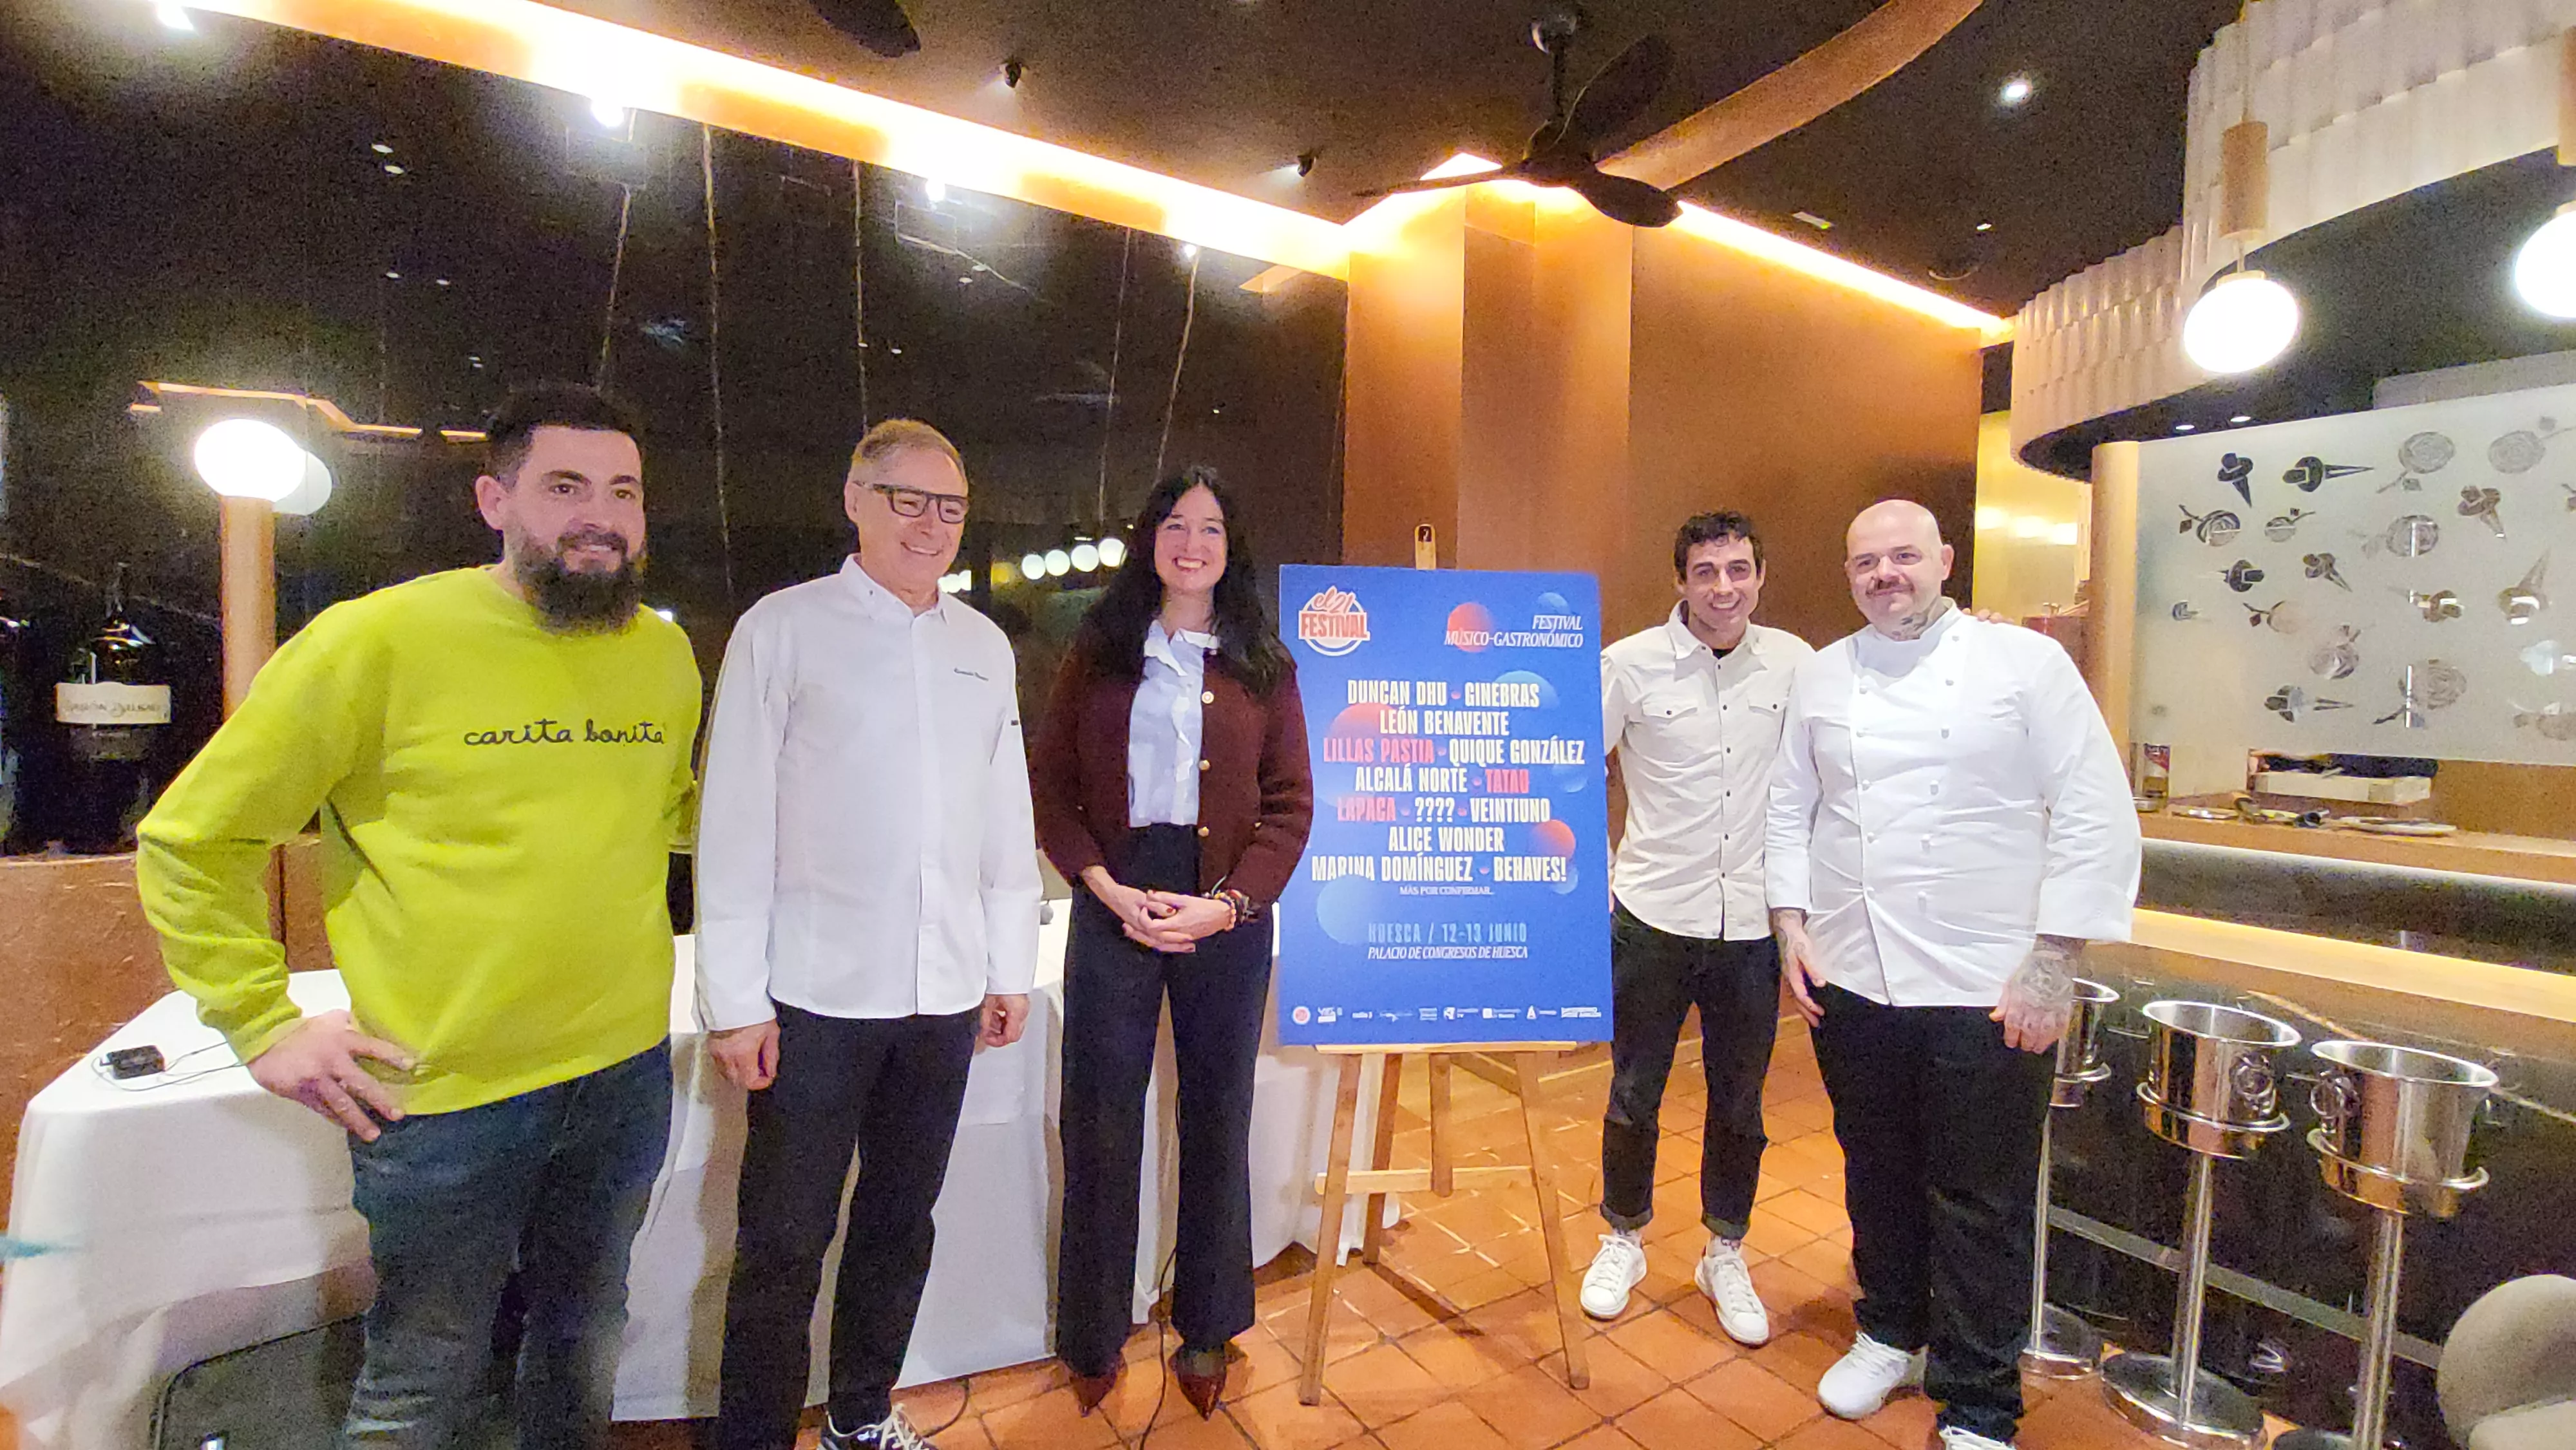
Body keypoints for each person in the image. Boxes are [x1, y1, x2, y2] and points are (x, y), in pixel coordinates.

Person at [136, 383, 701, 1450]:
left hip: (624, 1071)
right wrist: (259, 1021)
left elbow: (670, 816)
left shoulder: (659, 656)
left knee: (584, 1342)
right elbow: (194, 840)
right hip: (442, 1095)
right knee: (422, 1376)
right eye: (565, 486)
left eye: (623, 491)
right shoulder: (377, 640)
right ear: (496, 500)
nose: (602, 514)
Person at [1765, 498, 2140, 1450]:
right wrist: (1789, 926)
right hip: (1852, 973)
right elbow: (1787, 806)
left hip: (1987, 982)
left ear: (1944, 560)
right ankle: (1890, 1328)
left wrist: (2055, 960)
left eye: (1902, 557)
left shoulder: (2025, 664)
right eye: (1865, 563)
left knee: (1982, 1198)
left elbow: (2095, 808)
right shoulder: (1825, 671)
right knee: (1876, 1170)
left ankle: (1978, 1399)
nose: (1885, 575)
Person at [695, 419, 1038, 1450]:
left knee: (900, 1223)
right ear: (854, 498)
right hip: (814, 995)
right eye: (907, 499)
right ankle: (752, 1436)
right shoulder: (783, 627)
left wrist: (1007, 965)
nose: (931, 525)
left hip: (943, 997)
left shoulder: (982, 645)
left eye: (951, 506)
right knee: (785, 1239)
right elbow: (734, 819)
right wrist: (734, 1000)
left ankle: (859, 1416)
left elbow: (1003, 816)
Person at [1030, 466, 1314, 1419]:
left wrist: (1227, 906)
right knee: (1101, 1114)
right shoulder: (1100, 651)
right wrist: (1101, 885)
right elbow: (1052, 786)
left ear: (1233, 549)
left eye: (1212, 529)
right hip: (1115, 895)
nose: (1193, 544)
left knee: (1217, 1109)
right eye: (1176, 526)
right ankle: (1093, 1329)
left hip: (1225, 912)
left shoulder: (1264, 665)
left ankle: (1208, 1324)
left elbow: (1290, 809)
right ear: (1148, 537)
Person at [1581, 511, 1813, 1342]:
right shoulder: (1629, 665)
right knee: (1634, 1092)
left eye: (1739, 570)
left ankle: (1725, 1250)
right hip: (1653, 915)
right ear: (1680, 580)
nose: (1724, 588)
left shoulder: (1795, 664)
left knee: (1740, 1103)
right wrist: (1598, 881)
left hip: (1751, 926)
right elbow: (1575, 769)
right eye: (1706, 571)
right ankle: (1623, 1236)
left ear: (1760, 576)